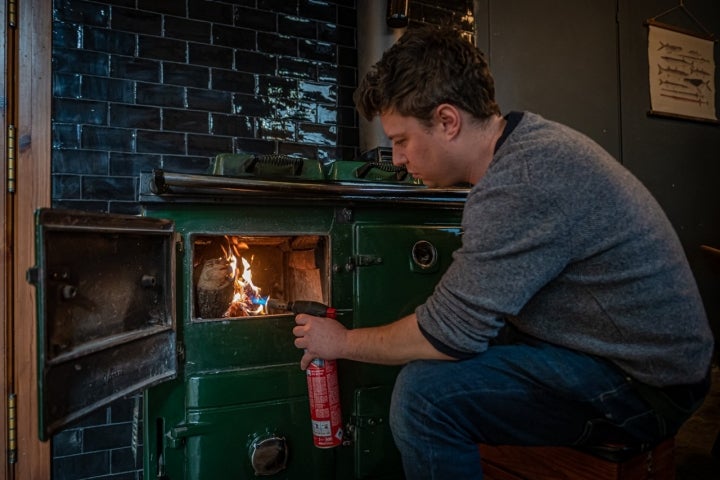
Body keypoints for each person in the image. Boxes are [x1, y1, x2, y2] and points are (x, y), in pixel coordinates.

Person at [292, 25, 714, 479]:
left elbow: (448, 335)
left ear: (448, 121)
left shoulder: (520, 181)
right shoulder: (526, 145)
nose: (396, 159)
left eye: (401, 140)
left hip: (649, 386)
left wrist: (340, 342)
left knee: (424, 397)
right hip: (626, 356)